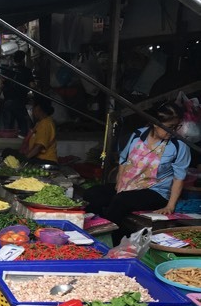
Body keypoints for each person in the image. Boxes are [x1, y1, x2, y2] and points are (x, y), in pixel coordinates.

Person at [78, 100, 191, 238]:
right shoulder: (139, 135)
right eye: (169, 127)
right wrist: (120, 181)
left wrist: (170, 206)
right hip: (130, 186)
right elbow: (124, 159)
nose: (173, 131)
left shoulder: (178, 146)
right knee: (93, 194)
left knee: (121, 201)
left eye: (176, 126)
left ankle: (111, 239)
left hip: (156, 192)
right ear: (155, 123)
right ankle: (91, 231)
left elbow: (179, 178)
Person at [1, 51, 34, 135]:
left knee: (8, 126)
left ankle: (7, 141)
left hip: (8, 100)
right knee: (22, 124)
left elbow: (2, 81)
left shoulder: (7, 70)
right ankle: (22, 142)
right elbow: (32, 85)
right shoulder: (27, 71)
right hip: (20, 101)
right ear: (23, 59)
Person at [21, 95, 58, 162]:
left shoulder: (45, 124)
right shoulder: (40, 123)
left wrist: (24, 159)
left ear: (38, 108)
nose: (32, 111)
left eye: (33, 108)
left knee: (9, 152)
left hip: (46, 160)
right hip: (39, 158)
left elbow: (39, 146)